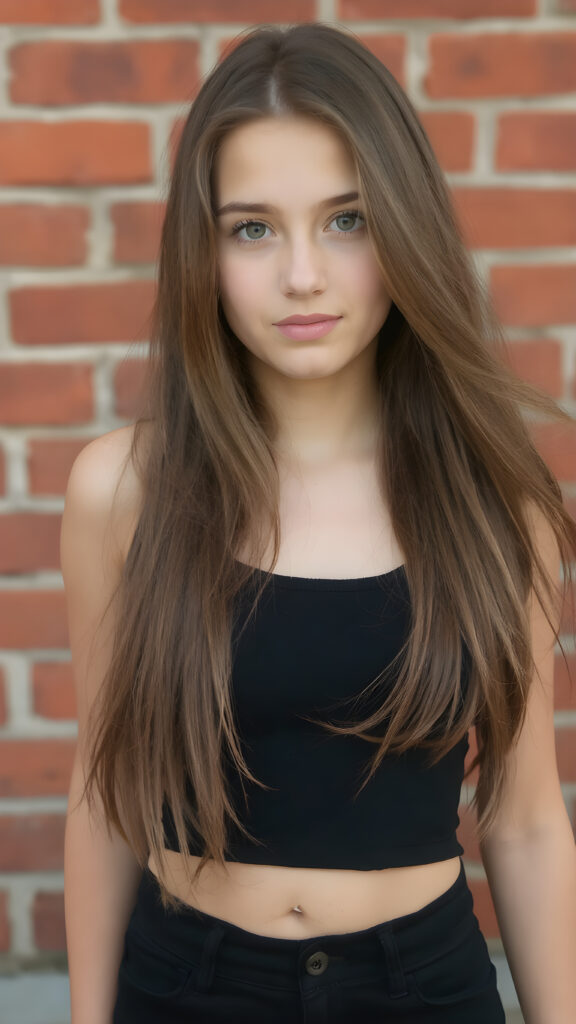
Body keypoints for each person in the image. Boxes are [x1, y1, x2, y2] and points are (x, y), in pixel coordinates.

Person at [61, 21, 576, 1024]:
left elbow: (522, 821)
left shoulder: (496, 505)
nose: (303, 274)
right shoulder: (122, 491)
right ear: (203, 250)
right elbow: (102, 795)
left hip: (421, 987)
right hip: (188, 988)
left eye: (347, 220)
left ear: (406, 227)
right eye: (253, 227)